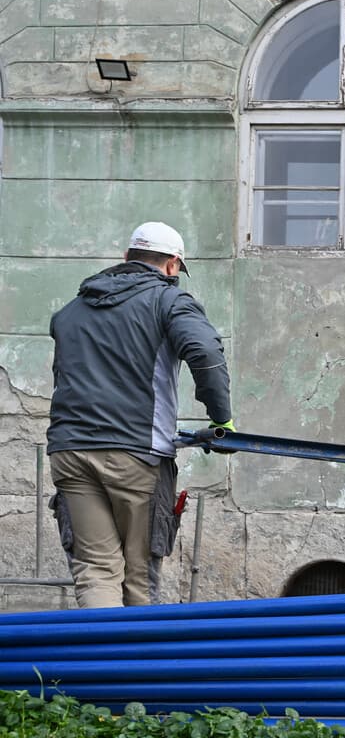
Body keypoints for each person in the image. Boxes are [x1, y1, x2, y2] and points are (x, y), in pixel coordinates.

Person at [46, 222, 233, 608]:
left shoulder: (71, 312)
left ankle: (102, 666)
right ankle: (136, 667)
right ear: (171, 266)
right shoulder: (168, 301)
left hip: (69, 451)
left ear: (126, 258)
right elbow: (206, 353)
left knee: (95, 569)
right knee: (139, 573)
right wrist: (221, 421)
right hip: (136, 454)